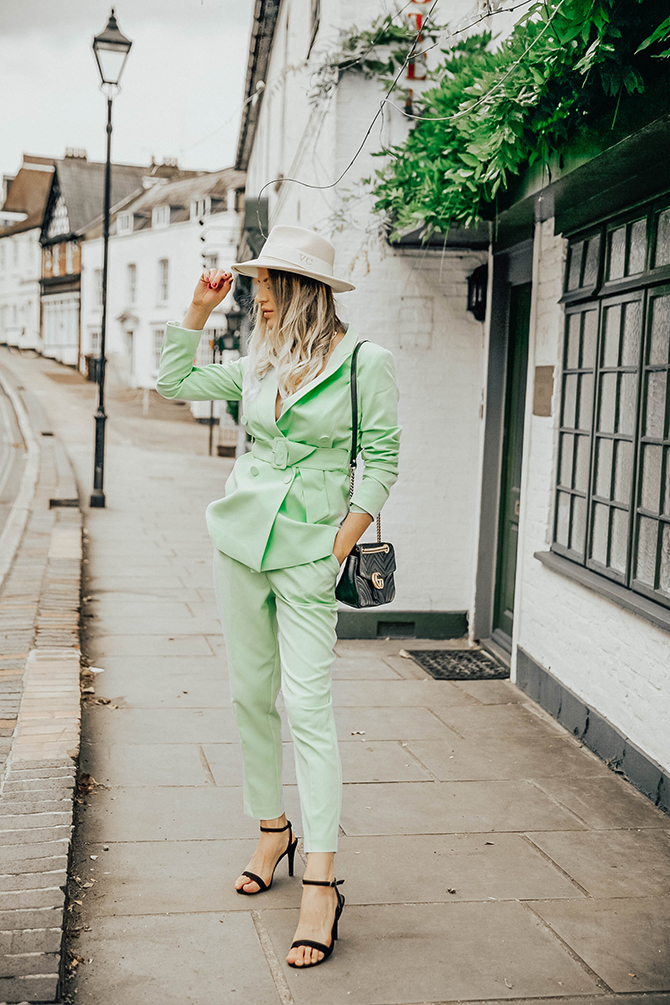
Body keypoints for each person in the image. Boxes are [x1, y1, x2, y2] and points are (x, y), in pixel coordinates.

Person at [157, 225, 400, 968]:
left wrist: (335, 546)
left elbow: (383, 461)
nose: (256, 296)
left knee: (311, 708)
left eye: (266, 285)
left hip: (308, 555)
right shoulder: (256, 363)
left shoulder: (365, 362)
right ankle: (272, 828)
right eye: (255, 284)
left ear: (302, 290)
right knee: (247, 695)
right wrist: (196, 313)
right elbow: (173, 383)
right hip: (241, 543)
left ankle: (321, 879)